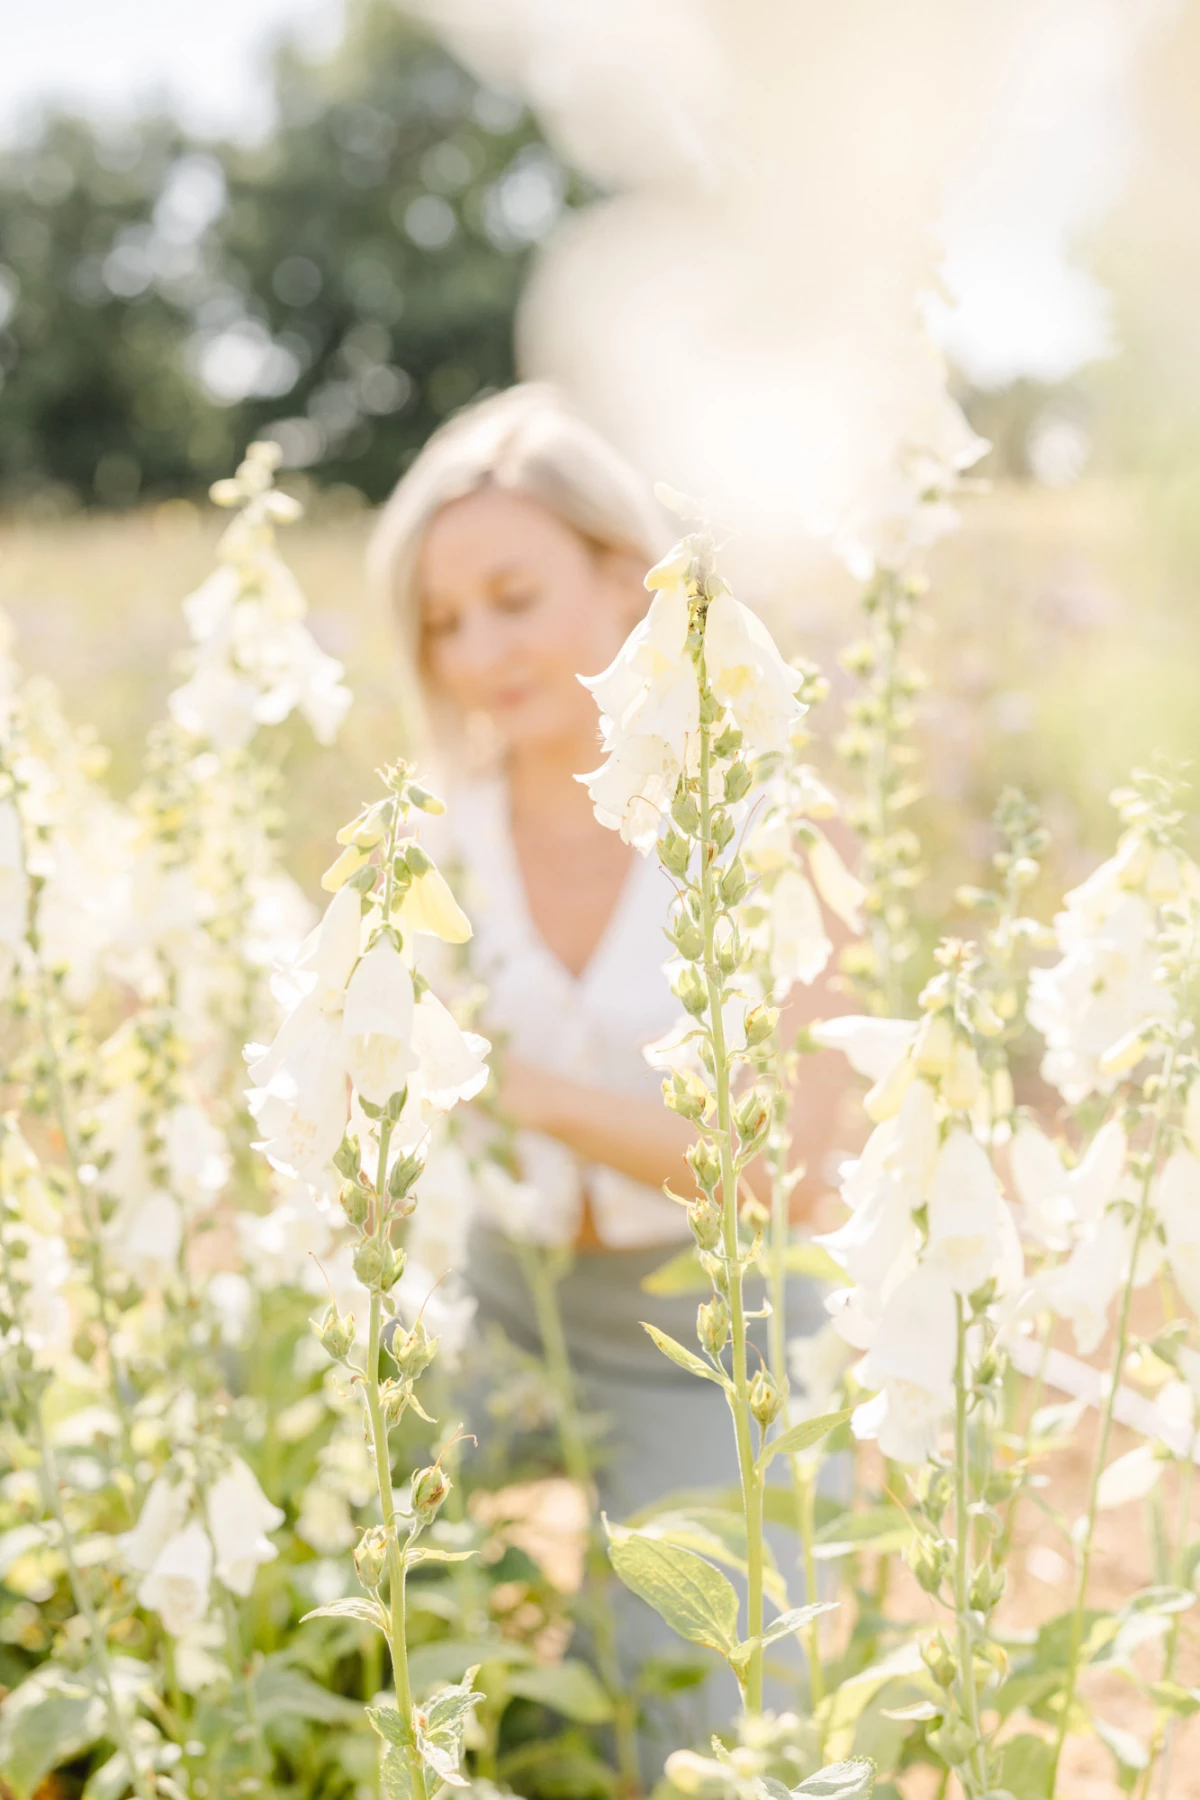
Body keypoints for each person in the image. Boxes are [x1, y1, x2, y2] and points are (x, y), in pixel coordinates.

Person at [369, 383, 852, 1738]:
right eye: (441, 622)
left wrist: (508, 1087)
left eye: (512, 597)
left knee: (697, 1716)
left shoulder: (768, 824)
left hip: (715, 1331)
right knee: (427, 1667)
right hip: (498, 1307)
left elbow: (794, 1170)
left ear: (624, 576)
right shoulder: (433, 847)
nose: (477, 653)